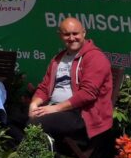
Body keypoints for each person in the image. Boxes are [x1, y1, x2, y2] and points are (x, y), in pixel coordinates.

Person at [28, 17, 113, 145]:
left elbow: (87, 94)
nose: (72, 38)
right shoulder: (58, 59)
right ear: (60, 36)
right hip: (55, 108)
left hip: (81, 115)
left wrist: (55, 108)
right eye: (67, 34)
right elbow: (44, 87)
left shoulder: (95, 57)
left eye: (75, 33)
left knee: (35, 124)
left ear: (84, 33)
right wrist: (34, 104)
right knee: (12, 119)